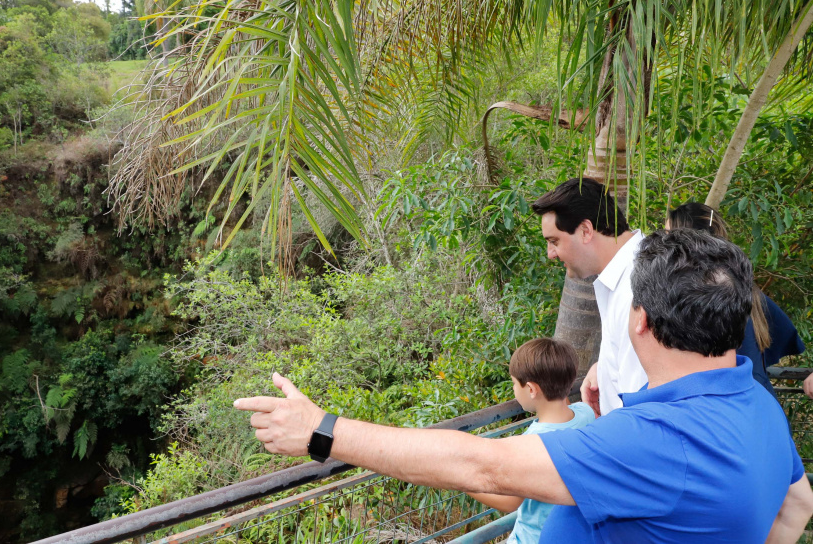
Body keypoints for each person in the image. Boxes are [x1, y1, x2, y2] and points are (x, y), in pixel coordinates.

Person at [235, 230, 813, 542]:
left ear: (639, 319)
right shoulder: (757, 405)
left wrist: (321, 431)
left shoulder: (657, 440)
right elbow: (796, 506)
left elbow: (484, 468)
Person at [667, 202, 806, 398]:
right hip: (756, 399)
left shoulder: (700, 295)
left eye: (667, 235)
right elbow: (782, 334)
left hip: (727, 400)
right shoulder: (743, 285)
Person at [531, 178, 646, 415]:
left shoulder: (636, 287)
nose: (550, 254)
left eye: (554, 241)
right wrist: (604, 368)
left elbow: (641, 407)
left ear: (585, 231)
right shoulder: (630, 269)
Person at [467, 338, 594, 543]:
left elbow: (510, 502)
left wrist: (463, 484)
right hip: (572, 533)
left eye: (514, 383)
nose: (513, 389)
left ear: (531, 389)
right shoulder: (586, 413)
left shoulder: (530, 443)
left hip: (534, 537)